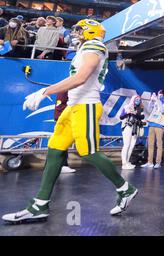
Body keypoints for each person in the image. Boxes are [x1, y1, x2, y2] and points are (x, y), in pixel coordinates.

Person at [2, 19, 138, 224]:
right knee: (55, 149)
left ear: (91, 32)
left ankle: (125, 189)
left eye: (80, 30)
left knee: (88, 152)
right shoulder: (84, 48)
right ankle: (40, 204)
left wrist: (44, 91)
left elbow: (81, 77)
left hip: (87, 105)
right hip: (72, 107)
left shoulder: (95, 46)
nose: (75, 34)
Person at [145, 90, 164, 169]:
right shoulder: (156, 102)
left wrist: (157, 100)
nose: (159, 96)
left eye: (160, 95)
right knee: (150, 144)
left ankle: (158, 162)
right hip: (152, 124)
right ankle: (149, 162)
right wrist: (151, 101)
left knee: (159, 144)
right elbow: (149, 110)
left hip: (160, 125)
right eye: (158, 95)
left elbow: (162, 110)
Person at [120, 95, 145, 170]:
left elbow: (142, 117)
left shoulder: (140, 108)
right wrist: (128, 113)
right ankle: (124, 163)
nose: (137, 100)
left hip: (135, 128)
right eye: (136, 99)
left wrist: (136, 113)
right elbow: (121, 116)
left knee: (131, 146)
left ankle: (127, 162)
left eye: (139, 99)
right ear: (133, 99)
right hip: (128, 126)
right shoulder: (127, 106)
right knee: (126, 145)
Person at [53, 91, 76, 174]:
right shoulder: (65, 90)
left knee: (62, 144)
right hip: (63, 120)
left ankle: (62, 165)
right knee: (61, 144)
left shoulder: (68, 89)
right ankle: (62, 165)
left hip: (64, 119)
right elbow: (60, 105)